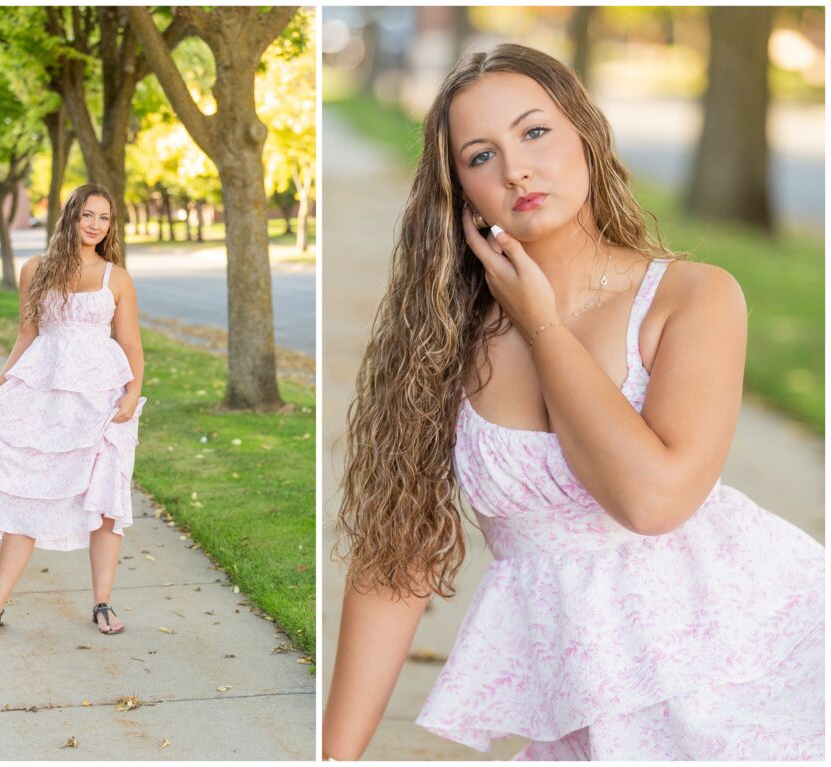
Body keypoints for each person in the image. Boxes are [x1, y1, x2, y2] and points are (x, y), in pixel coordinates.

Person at [322, 44, 824, 760]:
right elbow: (396, 559)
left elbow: (653, 502)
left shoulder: (692, 298)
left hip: (745, 682)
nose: (516, 168)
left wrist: (544, 325)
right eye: (480, 155)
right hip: (582, 716)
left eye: (534, 133)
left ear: (585, 134)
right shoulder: (442, 339)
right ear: (459, 189)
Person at [0, 183, 147, 640]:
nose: (95, 225)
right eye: (87, 215)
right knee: (28, 497)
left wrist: (131, 395)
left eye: (105, 218)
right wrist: (0, 382)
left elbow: (131, 345)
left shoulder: (117, 278)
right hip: (46, 396)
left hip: (102, 400)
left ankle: (102, 602)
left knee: (106, 505)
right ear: (70, 216)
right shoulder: (35, 269)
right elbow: (27, 334)